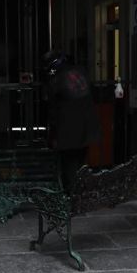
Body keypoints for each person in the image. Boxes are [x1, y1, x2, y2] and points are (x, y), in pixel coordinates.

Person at [43, 50, 101, 192]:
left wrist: (53, 133)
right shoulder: (80, 70)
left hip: (68, 128)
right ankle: (81, 189)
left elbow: (53, 108)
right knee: (81, 160)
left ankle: (72, 193)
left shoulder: (55, 78)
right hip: (87, 124)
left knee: (69, 162)